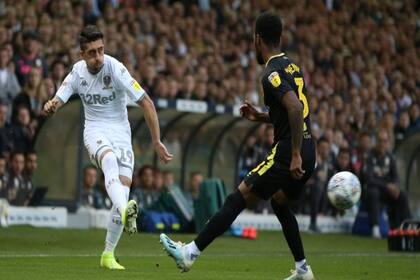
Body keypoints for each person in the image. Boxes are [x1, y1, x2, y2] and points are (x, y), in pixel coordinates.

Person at [160, 12, 316, 280]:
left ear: (257, 39)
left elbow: (295, 106)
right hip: (309, 146)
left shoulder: (271, 74)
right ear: (279, 37)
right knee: (279, 203)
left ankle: (190, 254)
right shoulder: (291, 66)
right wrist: (260, 117)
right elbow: (290, 111)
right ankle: (302, 269)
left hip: (291, 150)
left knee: (238, 197)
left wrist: (293, 155)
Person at [42, 25, 173, 270]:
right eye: (92, 52)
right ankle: (126, 211)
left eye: (101, 50)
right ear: (82, 54)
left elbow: (146, 102)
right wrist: (51, 105)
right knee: (109, 160)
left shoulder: (116, 68)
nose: (98, 57)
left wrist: (156, 141)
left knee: (122, 190)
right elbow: (59, 97)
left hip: (121, 133)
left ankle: (108, 255)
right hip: (95, 130)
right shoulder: (77, 74)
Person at [364, 129, 411, 238]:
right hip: (371, 192)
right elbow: (368, 179)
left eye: (384, 141)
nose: (382, 144)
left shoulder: (390, 157)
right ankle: (375, 228)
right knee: (374, 192)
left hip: (386, 192)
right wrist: (387, 186)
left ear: (388, 143)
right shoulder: (369, 156)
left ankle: (406, 227)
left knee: (402, 195)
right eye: (380, 141)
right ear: (376, 141)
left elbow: (395, 177)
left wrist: (395, 186)